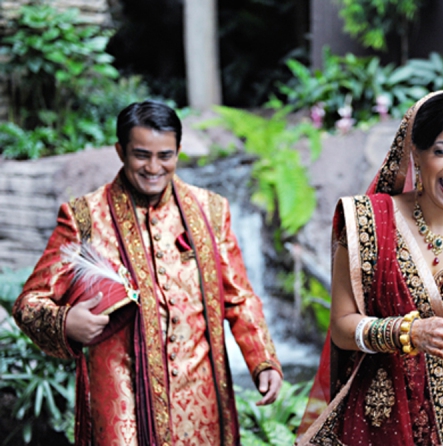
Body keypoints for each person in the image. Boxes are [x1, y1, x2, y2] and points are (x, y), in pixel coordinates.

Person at [12, 100, 283, 446]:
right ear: (120, 151)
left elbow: (240, 296)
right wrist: (65, 323)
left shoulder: (211, 211)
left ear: (179, 152)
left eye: (165, 156)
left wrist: (263, 360)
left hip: (200, 398)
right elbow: (28, 303)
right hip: (121, 401)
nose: (154, 167)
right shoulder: (85, 217)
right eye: (141, 155)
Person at [296, 90, 443, 445]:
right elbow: (343, 327)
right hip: (378, 414)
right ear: (415, 153)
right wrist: (409, 334)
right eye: (442, 151)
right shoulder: (367, 222)